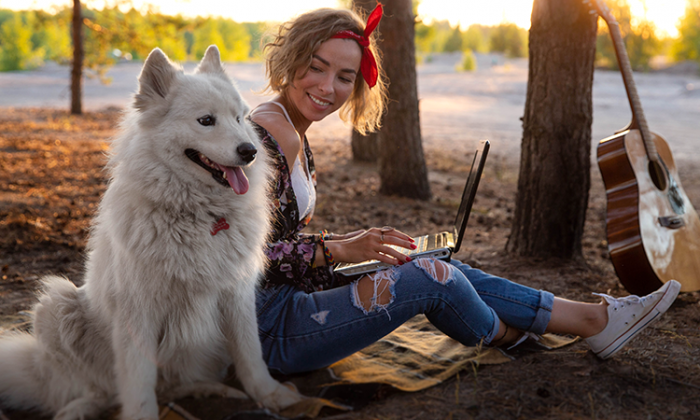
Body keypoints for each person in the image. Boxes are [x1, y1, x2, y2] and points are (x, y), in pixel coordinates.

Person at [247, 4, 680, 374]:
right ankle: (510, 335)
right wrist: (338, 251)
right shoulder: (269, 134)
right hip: (264, 329)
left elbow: (274, 239)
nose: (328, 88)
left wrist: (352, 244)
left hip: (286, 300)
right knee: (427, 276)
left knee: (424, 258)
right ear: (292, 57)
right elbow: (235, 258)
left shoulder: (292, 129)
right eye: (317, 67)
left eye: (344, 76)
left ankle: (596, 320)